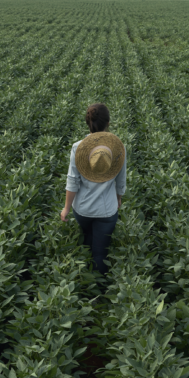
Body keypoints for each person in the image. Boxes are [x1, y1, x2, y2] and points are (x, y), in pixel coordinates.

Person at [60, 103, 126, 275]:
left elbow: (72, 181)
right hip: (106, 211)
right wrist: (119, 198)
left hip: (82, 209)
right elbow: (121, 179)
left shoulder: (78, 148)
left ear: (88, 123)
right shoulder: (117, 148)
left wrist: (66, 208)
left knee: (86, 240)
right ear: (108, 123)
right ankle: (100, 286)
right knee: (101, 251)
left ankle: (83, 282)